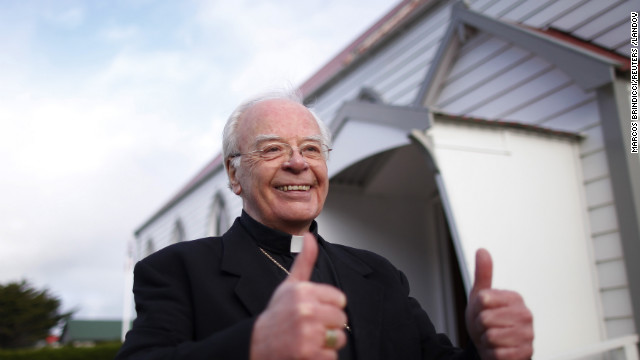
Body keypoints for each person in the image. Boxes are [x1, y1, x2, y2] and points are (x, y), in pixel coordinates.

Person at [116, 90, 534, 360]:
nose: (298, 162)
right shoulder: (179, 270)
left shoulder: (379, 274)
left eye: (311, 149)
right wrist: (255, 347)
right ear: (233, 174)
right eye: (272, 148)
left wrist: (489, 350)